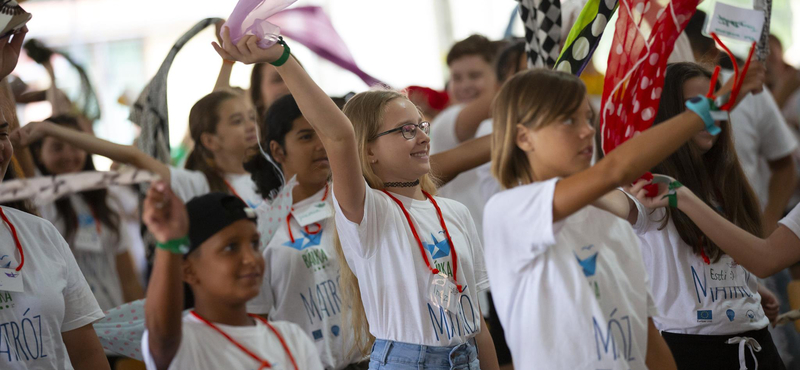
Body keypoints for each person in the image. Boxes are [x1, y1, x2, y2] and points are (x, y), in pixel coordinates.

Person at [214, 29, 501, 369]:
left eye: (421, 126)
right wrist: (282, 60)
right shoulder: (368, 211)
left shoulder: (454, 212)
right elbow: (338, 134)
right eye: (406, 130)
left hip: (466, 355)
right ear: (369, 150)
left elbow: (476, 322)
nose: (423, 137)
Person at [483, 61, 764, 368]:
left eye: (588, 119)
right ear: (523, 138)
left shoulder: (613, 220)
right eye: (567, 120)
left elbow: (648, 339)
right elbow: (615, 169)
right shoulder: (509, 209)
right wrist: (716, 104)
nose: (587, 131)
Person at [601, 62, 783, 369]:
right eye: (694, 107)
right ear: (669, 118)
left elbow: (724, 257)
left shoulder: (728, 181)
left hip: (757, 345)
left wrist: (747, 288)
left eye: (715, 103)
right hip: (687, 349)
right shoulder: (652, 188)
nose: (708, 115)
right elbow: (614, 203)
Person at [0, 25, 111, 370]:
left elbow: (87, 354)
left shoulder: (41, 232)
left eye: (2, 134)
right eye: (56, 146)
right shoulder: (41, 196)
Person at [141, 185, 323, 370]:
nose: (251, 258)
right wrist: (170, 242)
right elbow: (161, 336)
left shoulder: (292, 338)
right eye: (231, 248)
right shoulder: (187, 345)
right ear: (188, 271)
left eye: (254, 244)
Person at [13, 90, 262, 207]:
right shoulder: (197, 184)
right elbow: (132, 155)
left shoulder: (271, 174)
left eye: (251, 117)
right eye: (237, 121)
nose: (251, 126)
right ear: (209, 141)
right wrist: (50, 130)